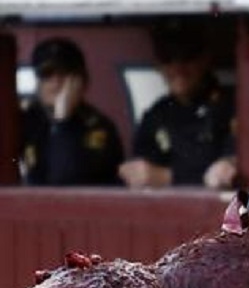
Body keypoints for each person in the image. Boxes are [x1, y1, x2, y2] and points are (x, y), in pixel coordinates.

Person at [118, 21, 237, 189]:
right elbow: (141, 173)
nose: (178, 67)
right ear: (158, 65)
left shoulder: (231, 106)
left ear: (204, 59)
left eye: (187, 56)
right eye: (168, 58)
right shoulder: (156, 115)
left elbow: (226, 173)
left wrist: (166, 177)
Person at [19, 37, 124, 186]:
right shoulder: (25, 120)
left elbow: (64, 183)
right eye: (47, 74)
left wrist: (63, 121)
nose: (56, 83)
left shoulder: (98, 127)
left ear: (80, 81)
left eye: (63, 74)